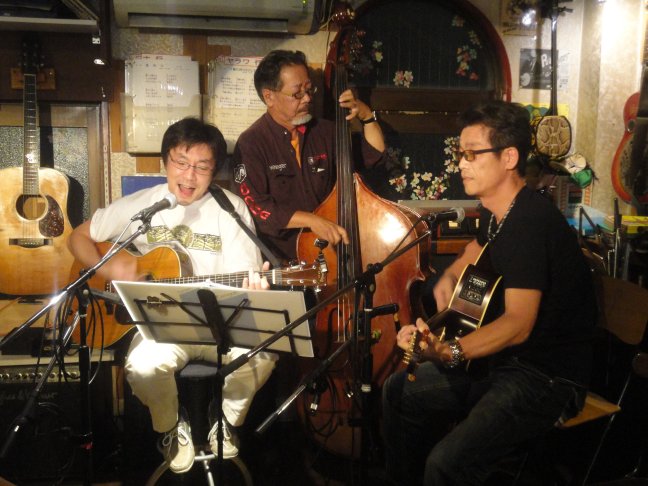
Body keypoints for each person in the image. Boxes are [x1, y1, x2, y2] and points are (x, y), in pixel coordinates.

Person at [382, 100, 597, 485]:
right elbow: (477, 248)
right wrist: (451, 276)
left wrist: (447, 351)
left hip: (544, 377)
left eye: (472, 154)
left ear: (509, 157)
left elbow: (518, 323)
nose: (460, 164)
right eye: (459, 154)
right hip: (503, 363)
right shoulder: (498, 213)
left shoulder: (530, 223)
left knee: (446, 464)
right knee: (398, 393)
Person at [67, 117, 277, 474]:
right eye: (181, 162)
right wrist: (112, 268)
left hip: (221, 327)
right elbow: (78, 238)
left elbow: (245, 279)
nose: (189, 176)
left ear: (214, 171)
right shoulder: (144, 204)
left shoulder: (231, 208)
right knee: (143, 366)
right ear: (165, 161)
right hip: (162, 325)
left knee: (263, 353)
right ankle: (169, 426)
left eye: (202, 167)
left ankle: (226, 419)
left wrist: (254, 289)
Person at [232, 49, 386, 262]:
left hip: (333, 252)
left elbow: (373, 155)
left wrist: (366, 116)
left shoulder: (325, 131)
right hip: (283, 260)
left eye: (309, 90)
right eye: (297, 93)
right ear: (269, 97)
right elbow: (257, 207)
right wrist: (312, 220)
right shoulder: (251, 143)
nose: (307, 99)